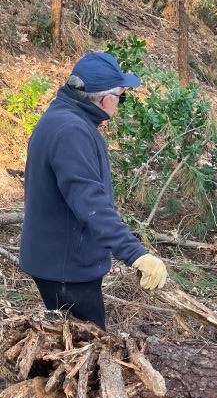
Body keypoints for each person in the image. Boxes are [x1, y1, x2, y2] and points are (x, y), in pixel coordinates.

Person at [19, 51, 168, 331]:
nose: (121, 104)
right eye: (122, 97)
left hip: (58, 259)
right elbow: (90, 203)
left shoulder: (63, 116)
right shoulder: (71, 132)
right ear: (104, 99)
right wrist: (135, 254)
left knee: (69, 339)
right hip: (66, 268)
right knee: (88, 347)